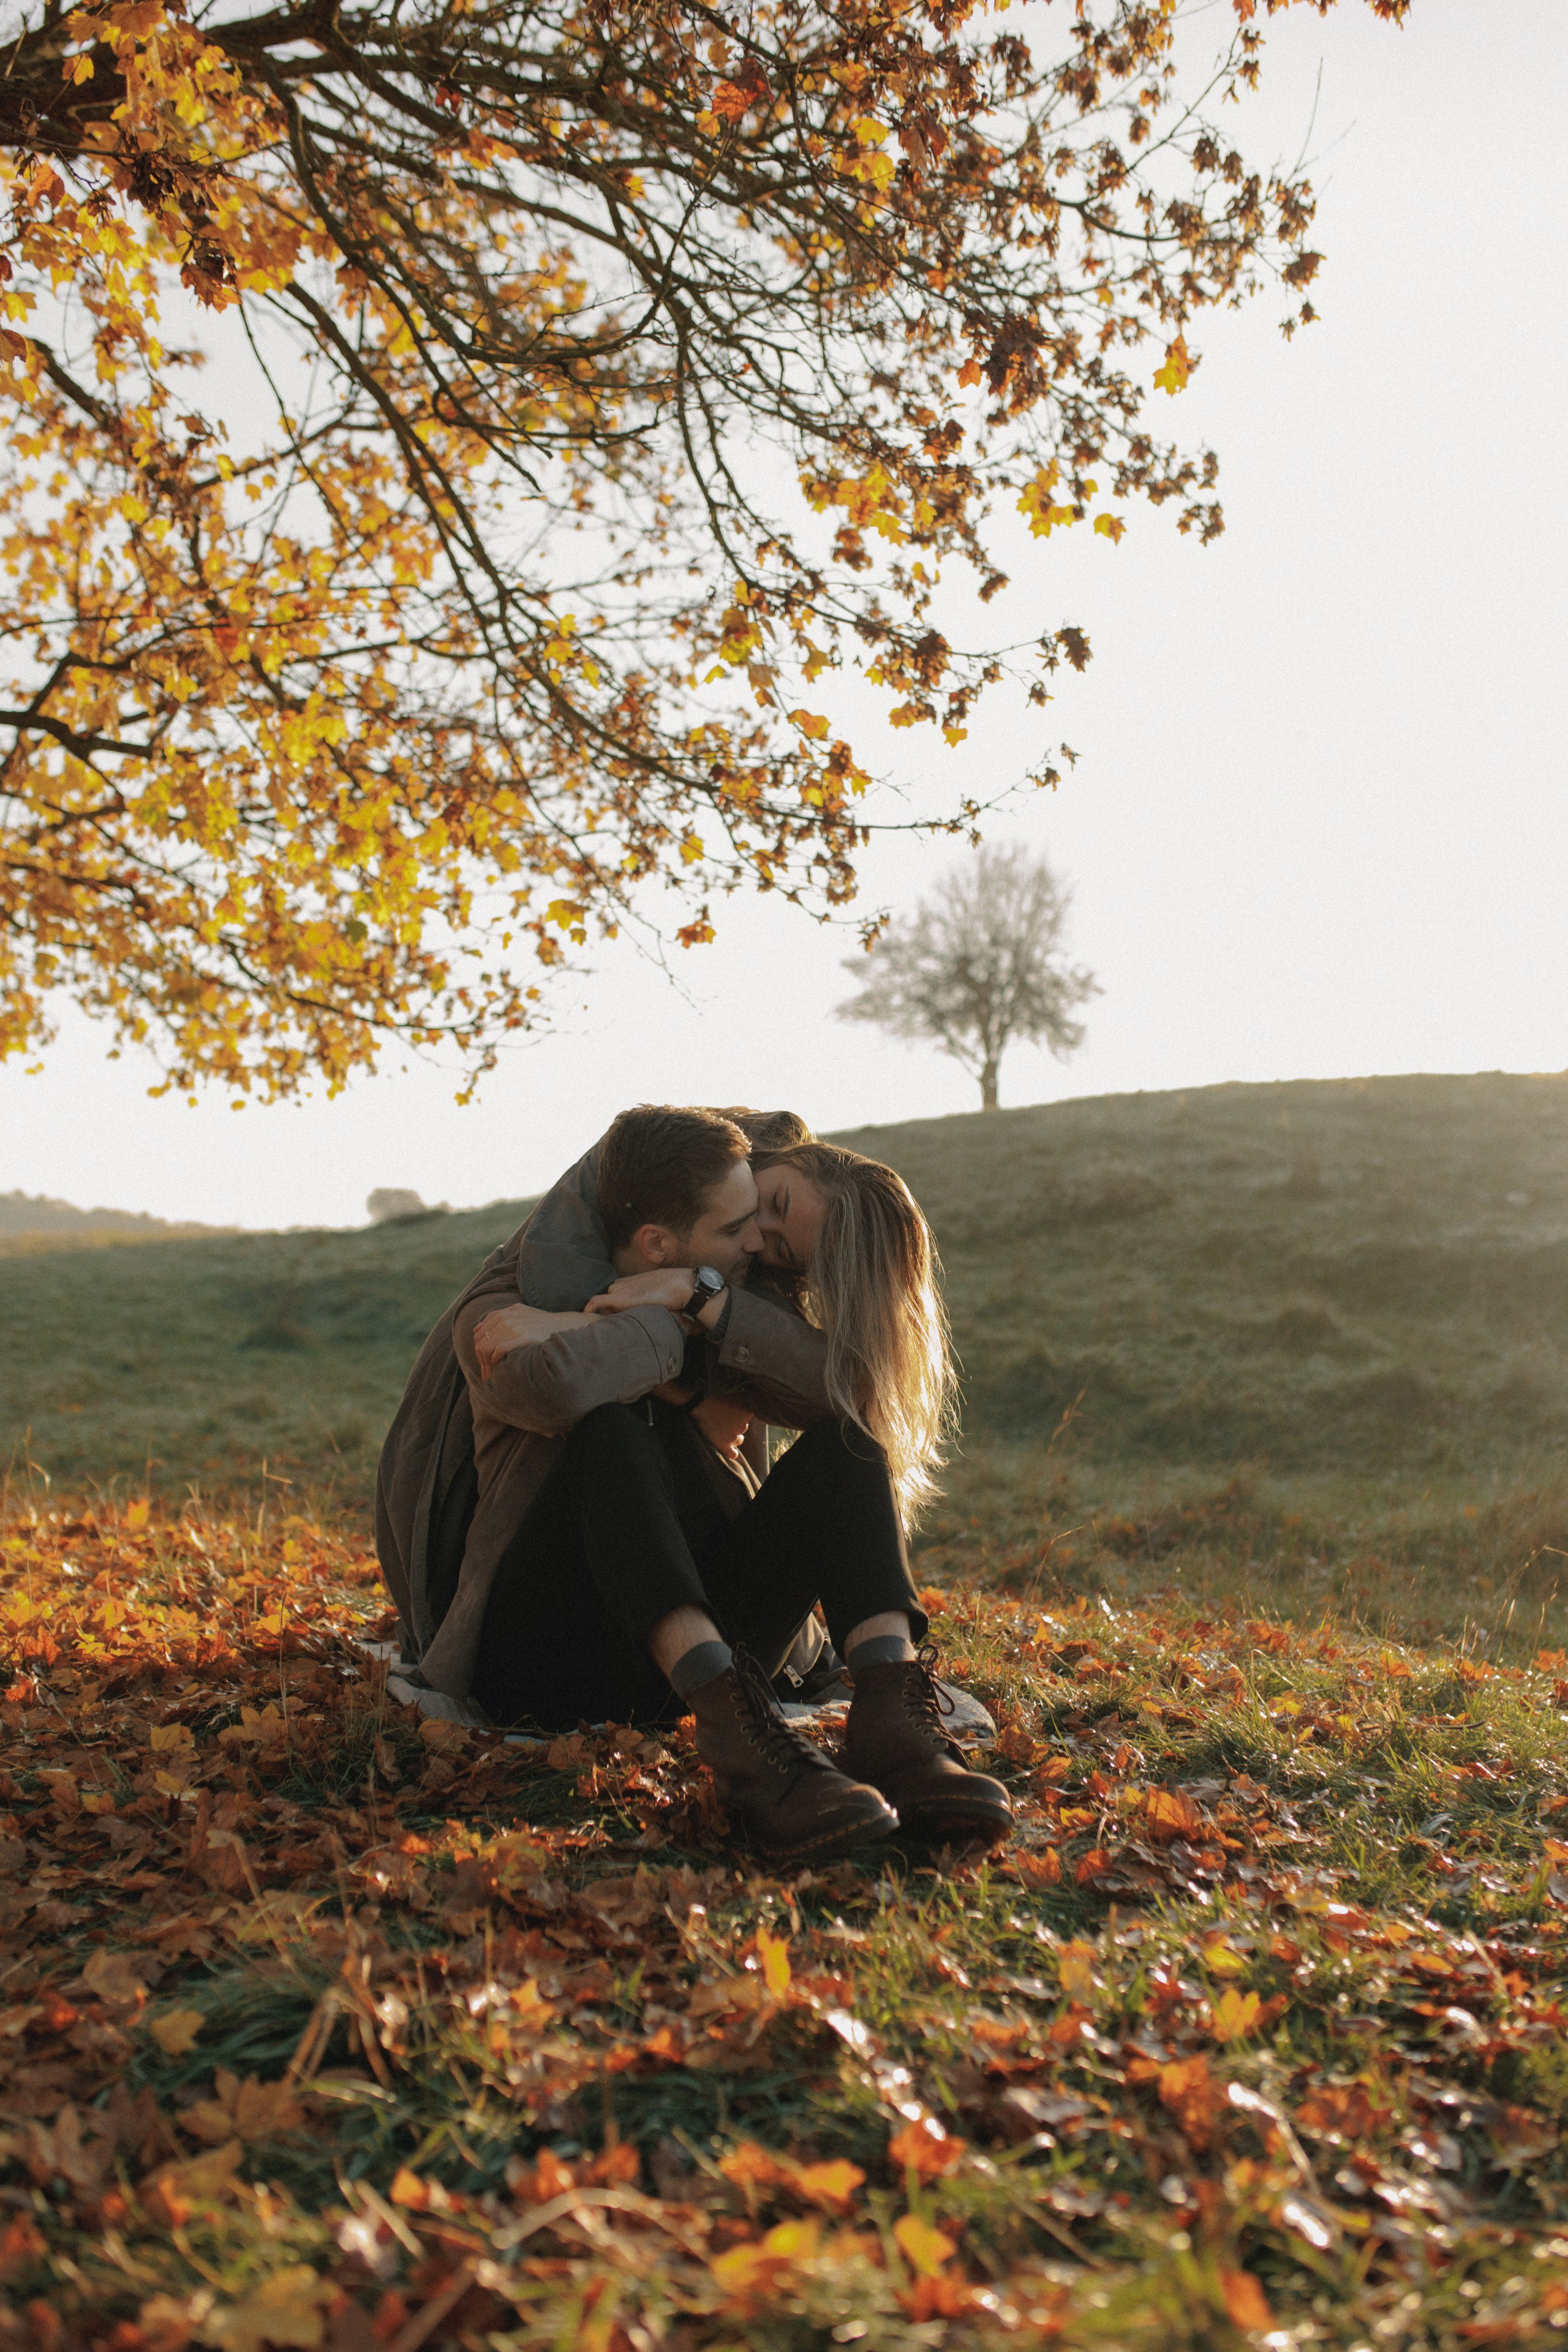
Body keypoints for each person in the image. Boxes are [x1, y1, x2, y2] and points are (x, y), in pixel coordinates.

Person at [375, 1105, 1012, 1862]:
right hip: (548, 1650)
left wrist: (697, 1300)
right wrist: (689, 1348)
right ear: (659, 1236)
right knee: (611, 1430)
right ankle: (739, 1743)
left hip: (686, 1651)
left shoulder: (733, 1293)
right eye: (757, 1215)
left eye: (774, 1251)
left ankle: (893, 1725)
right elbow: (550, 1387)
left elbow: (838, 1391)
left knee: (849, 1443)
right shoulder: (516, 1285)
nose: (751, 1251)